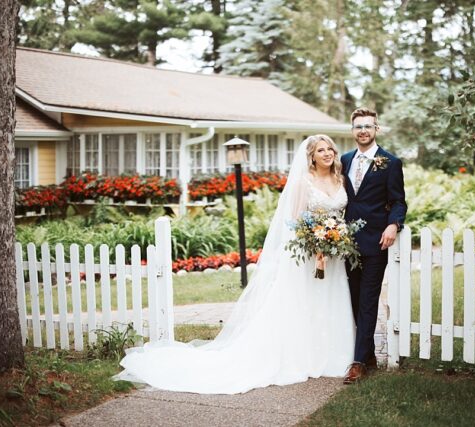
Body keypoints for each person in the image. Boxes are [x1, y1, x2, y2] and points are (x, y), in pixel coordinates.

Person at [115, 135, 355, 394]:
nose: (328, 153)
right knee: (304, 302)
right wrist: (315, 243)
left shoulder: (340, 179)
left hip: (334, 255)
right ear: (312, 155)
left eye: (330, 148)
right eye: (321, 150)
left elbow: (344, 214)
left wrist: (335, 240)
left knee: (328, 301)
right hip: (308, 255)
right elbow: (294, 222)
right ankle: (301, 357)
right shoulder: (302, 182)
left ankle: (331, 355)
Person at [341, 107, 407, 384]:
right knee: (353, 300)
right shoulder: (343, 160)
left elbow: (399, 201)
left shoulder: (390, 162)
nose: (363, 131)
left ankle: (357, 363)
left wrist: (394, 224)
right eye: (358, 126)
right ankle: (367, 354)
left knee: (368, 300)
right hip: (344, 243)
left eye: (368, 126)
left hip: (375, 241)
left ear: (376, 129)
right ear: (352, 130)